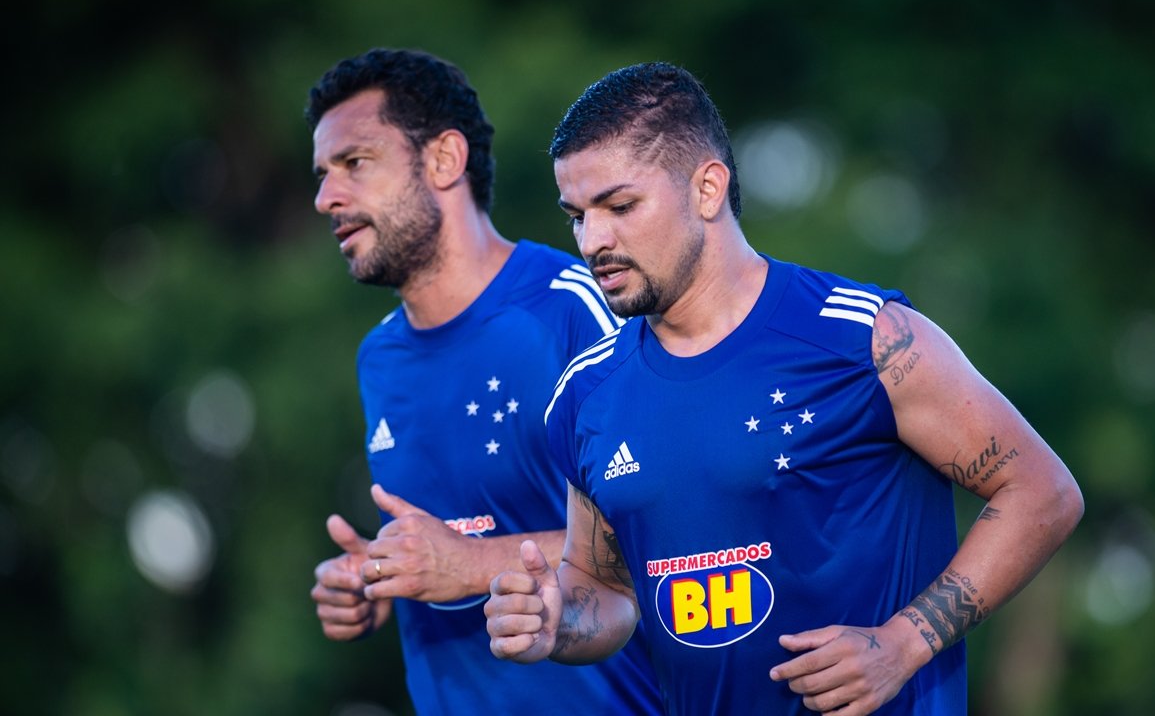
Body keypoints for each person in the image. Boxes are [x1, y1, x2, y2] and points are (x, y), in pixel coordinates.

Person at [485, 61, 1085, 715]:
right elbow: (603, 588)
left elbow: (1041, 492)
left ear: (707, 188)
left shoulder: (864, 340)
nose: (593, 240)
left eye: (620, 206)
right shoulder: (586, 393)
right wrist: (553, 621)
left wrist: (904, 643)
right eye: (576, 216)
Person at [304, 48, 663, 714]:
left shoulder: (573, 311)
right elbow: (450, 531)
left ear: (444, 159)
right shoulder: (378, 357)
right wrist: (374, 577)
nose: (326, 197)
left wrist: (464, 565)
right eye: (322, 174)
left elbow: (672, 528)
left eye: (355, 163)